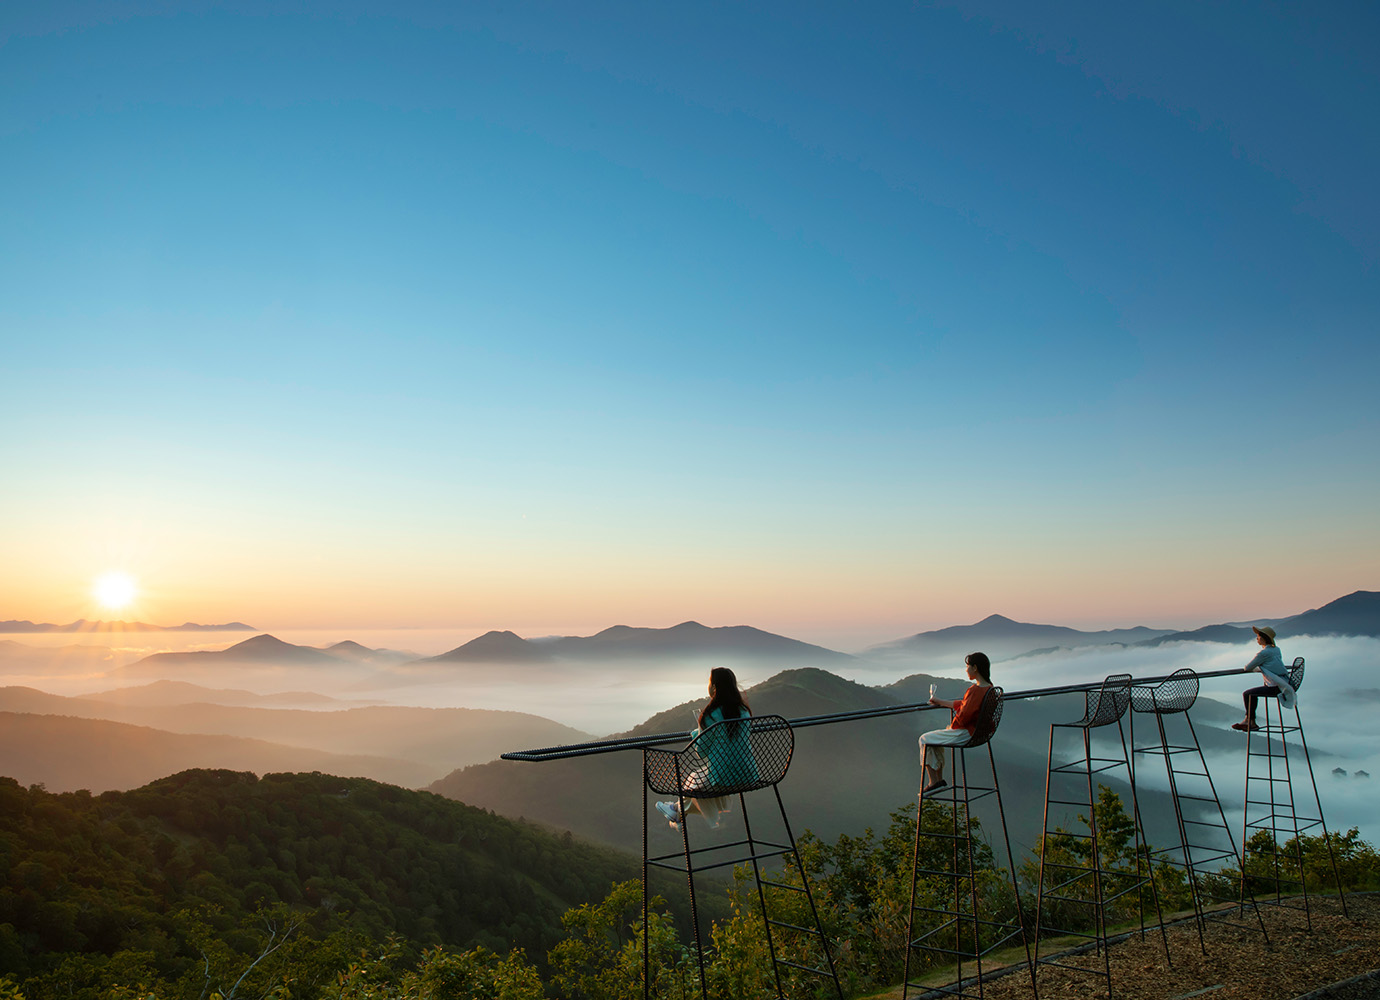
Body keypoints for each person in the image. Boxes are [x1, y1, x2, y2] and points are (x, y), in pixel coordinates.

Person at [656, 666, 756, 830]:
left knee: (698, 781)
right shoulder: (744, 711)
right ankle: (675, 810)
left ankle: (677, 811)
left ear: (714, 687)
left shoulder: (710, 715)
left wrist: (697, 734)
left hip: (724, 778)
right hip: (748, 774)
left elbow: (700, 752)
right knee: (702, 779)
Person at [918, 652, 993, 795]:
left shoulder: (975, 690)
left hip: (966, 734)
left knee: (924, 739)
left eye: (967, 666)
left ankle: (934, 781)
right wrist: (939, 701)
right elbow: (965, 705)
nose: (966, 670)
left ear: (975, 668)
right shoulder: (989, 688)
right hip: (980, 733)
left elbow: (964, 716)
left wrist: (952, 727)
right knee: (935, 739)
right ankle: (937, 781)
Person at [1232, 625, 1297, 731]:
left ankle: (1250, 721)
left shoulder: (1263, 653)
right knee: (1252, 693)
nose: (1257, 639)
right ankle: (1249, 721)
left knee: (1248, 694)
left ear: (1263, 638)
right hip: (1286, 683)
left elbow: (1247, 667)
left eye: (1258, 636)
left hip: (1276, 687)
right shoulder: (1276, 650)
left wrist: (1258, 667)